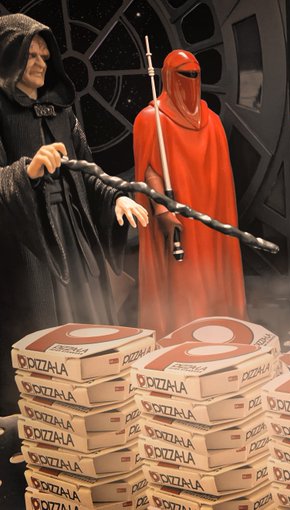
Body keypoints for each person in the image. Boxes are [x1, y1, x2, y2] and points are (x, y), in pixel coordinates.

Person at [0, 14, 148, 414]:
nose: (39, 63)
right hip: (30, 243)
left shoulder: (61, 113)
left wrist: (115, 198)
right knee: (43, 324)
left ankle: (96, 397)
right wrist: (26, 171)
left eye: (44, 56)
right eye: (30, 55)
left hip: (74, 229)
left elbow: (88, 171)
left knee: (88, 313)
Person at [133, 49, 247, 338]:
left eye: (196, 74)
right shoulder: (150, 119)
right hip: (178, 215)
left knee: (215, 271)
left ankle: (221, 328)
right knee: (184, 281)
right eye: (185, 75)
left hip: (212, 216)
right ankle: (183, 336)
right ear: (169, 78)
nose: (191, 80)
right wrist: (161, 208)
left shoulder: (213, 122)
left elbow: (222, 181)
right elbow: (149, 171)